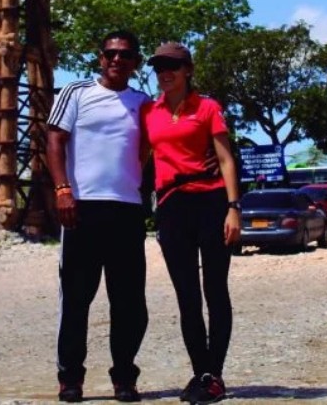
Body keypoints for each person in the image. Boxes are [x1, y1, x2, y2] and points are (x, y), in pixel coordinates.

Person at [47, 30, 150, 404]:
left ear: (135, 62)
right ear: (100, 57)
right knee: (76, 298)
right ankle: (70, 378)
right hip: (82, 208)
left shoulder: (143, 102)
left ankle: (125, 377)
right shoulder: (75, 93)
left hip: (126, 210)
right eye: (110, 53)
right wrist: (63, 190)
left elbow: (151, 148)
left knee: (128, 301)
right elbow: (55, 139)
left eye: (124, 55)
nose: (116, 60)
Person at [140, 42, 241, 405]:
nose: (164, 72)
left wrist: (233, 207)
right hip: (171, 204)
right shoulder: (149, 112)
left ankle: (215, 374)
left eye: (172, 66)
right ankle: (201, 373)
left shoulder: (208, 108)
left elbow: (226, 159)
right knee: (187, 296)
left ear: (188, 70)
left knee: (215, 288)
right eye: (159, 67)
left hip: (211, 202)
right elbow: (139, 159)